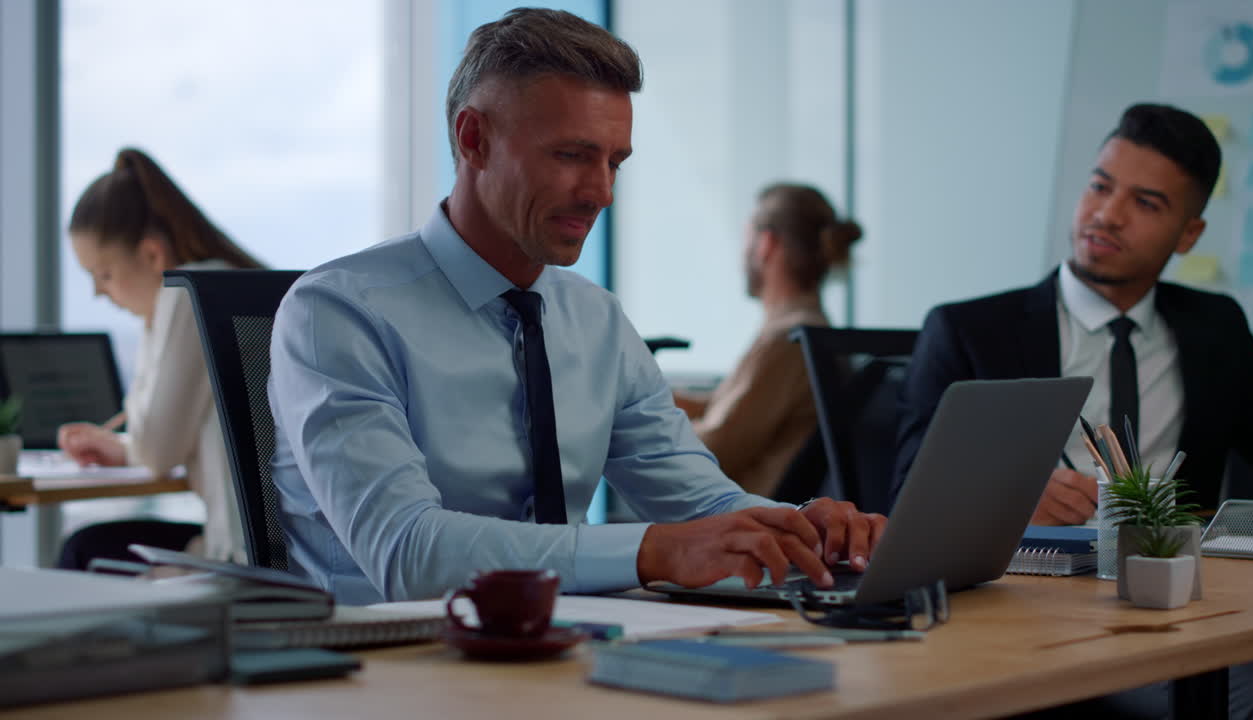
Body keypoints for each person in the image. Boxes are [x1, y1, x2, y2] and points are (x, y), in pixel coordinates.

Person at [268, 8, 886, 605]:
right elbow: (407, 552)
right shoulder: (337, 313)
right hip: (386, 669)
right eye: (571, 155)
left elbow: (699, 504)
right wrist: (652, 552)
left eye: (614, 162)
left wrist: (806, 531)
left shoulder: (595, 318)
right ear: (473, 138)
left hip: (571, 647)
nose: (600, 192)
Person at [894, 103, 1253, 719]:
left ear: (1189, 235)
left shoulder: (1215, 328)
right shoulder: (970, 330)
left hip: (1175, 607)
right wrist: (1003, 494)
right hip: (1018, 609)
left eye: (1146, 203)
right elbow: (908, 485)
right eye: (1100, 186)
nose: (1106, 214)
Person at [57, 147, 263, 569]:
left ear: (152, 255)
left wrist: (152, 322)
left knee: (82, 551)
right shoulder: (231, 283)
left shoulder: (188, 295)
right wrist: (122, 447)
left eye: (104, 274)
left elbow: (156, 450)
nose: (100, 293)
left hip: (238, 558)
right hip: (283, 554)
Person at [673, 184, 861, 497]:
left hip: (744, 523)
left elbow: (713, 450)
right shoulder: (806, 332)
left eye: (746, 238)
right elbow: (728, 407)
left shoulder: (789, 341)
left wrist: (640, 429)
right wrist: (658, 400)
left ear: (766, 244)